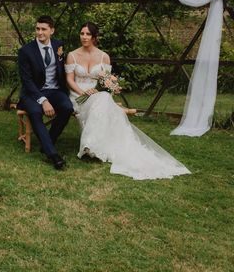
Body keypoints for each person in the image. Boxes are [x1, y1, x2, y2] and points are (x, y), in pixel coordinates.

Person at [65, 22, 191, 180]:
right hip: (79, 96)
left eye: (88, 34)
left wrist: (108, 87)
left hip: (98, 95)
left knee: (103, 97)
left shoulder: (104, 57)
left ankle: (93, 146)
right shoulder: (72, 55)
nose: (84, 37)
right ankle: (91, 147)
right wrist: (85, 93)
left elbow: (106, 82)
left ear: (95, 37)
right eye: (82, 33)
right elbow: (70, 80)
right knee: (102, 101)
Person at [17, 15, 74, 170]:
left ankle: (47, 141)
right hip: (32, 93)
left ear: (52, 31)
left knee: (67, 108)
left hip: (55, 90)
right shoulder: (25, 51)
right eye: (37, 29)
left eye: (44, 29)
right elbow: (27, 81)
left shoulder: (58, 45)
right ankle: (53, 155)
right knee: (35, 112)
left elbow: (62, 70)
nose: (40, 32)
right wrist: (43, 100)